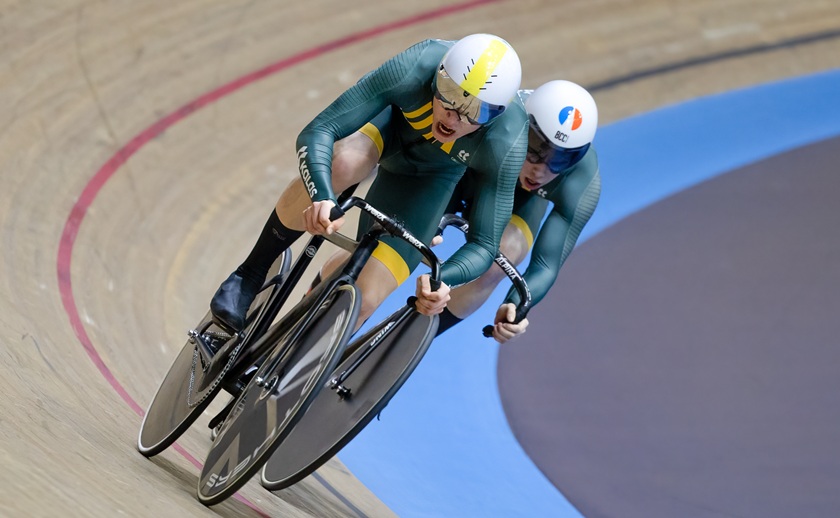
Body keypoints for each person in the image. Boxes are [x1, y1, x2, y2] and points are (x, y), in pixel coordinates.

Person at [209, 33, 529, 332]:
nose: (454, 117)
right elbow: (320, 130)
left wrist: (443, 278)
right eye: (449, 94)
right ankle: (249, 273)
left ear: (496, 115)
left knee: (365, 300)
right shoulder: (417, 65)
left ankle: (295, 359)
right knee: (344, 165)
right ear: (437, 76)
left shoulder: (507, 140)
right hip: (386, 134)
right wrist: (322, 195)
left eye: (475, 111)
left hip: (431, 180)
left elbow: (486, 244)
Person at [434, 80, 601, 343]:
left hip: (519, 203)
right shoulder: (497, 115)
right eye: (534, 151)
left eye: (559, 160)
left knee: (502, 257)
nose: (540, 171)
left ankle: (416, 332)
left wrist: (517, 304)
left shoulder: (582, 178)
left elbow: (546, 265)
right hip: (466, 175)